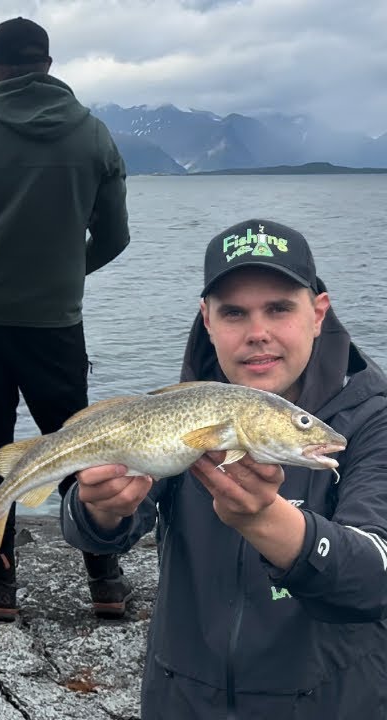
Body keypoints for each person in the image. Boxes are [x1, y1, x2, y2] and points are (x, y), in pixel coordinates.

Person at [62, 219, 387, 717]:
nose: (258, 333)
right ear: (207, 320)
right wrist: (98, 510)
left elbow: (373, 579)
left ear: (319, 313)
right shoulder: (184, 410)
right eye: (234, 313)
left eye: (279, 308)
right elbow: (105, 533)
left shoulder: (371, 420)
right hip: (182, 701)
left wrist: (267, 522)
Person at [0, 16, 133, 621]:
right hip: (55, 326)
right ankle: (106, 581)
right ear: (47, 65)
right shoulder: (92, 136)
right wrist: (63, 276)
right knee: (75, 446)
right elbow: (114, 236)